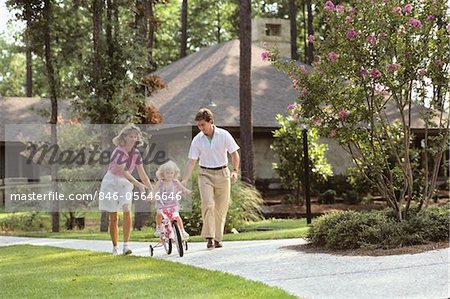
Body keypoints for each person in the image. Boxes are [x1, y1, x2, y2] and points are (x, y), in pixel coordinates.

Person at [182, 108, 240, 249]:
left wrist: (234, 171)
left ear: (211, 122)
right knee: (208, 204)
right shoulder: (197, 140)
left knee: (221, 207)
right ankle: (209, 237)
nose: (200, 128)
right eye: (198, 125)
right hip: (205, 174)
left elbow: (234, 154)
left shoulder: (224, 135)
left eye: (203, 124)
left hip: (223, 173)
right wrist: (184, 180)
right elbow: (191, 162)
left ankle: (218, 238)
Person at [99, 124, 153, 255]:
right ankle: (115, 247)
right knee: (113, 215)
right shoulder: (118, 151)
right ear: (124, 137)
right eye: (130, 136)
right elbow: (124, 171)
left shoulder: (136, 154)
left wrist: (150, 189)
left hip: (125, 183)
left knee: (127, 210)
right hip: (111, 182)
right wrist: (138, 185)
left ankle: (126, 246)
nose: (133, 139)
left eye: (135, 136)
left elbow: (142, 174)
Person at [151, 160, 191, 239]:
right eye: (167, 173)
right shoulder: (161, 182)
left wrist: (185, 190)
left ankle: (182, 230)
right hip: (162, 202)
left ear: (174, 173)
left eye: (171, 173)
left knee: (176, 215)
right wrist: (152, 195)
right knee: (159, 213)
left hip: (173, 202)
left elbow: (182, 188)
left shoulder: (175, 182)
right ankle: (158, 227)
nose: (170, 175)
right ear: (163, 173)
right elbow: (154, 190)